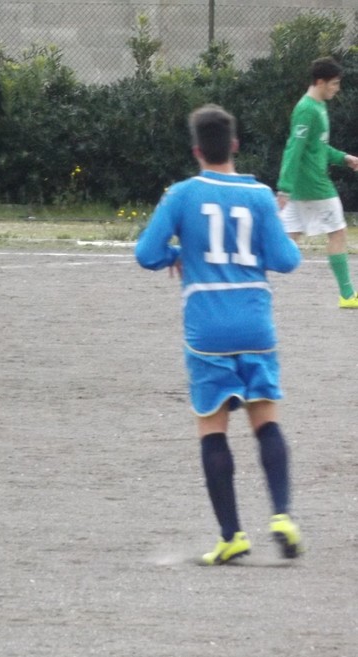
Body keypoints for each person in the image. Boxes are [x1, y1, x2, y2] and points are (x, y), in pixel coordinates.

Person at [135, 105, 304, 565]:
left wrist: (177, 252)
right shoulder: (260, 196)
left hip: (207, 327)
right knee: (266, 420)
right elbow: (287, 261)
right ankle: (283, 514)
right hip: (255, 323)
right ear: (234, 145)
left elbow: (146, 253)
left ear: (196, 151)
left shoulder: (181, 195)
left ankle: (232, 535)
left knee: (212, 428)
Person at [276, 56, 358, 308]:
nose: (337, 88)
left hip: (304, 186)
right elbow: (294, 148)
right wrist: (284, 187)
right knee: (338, 232)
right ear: (320, 81)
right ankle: (347, 295)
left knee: (286, 239)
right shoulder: (307, 109)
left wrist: (344, 158)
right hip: (315, 186)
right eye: (334, 83)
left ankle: (242, 279)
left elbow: (317, 148)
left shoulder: (318, 106)